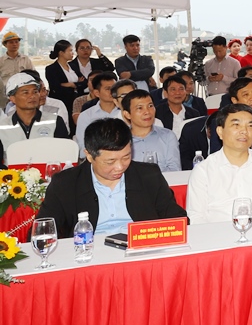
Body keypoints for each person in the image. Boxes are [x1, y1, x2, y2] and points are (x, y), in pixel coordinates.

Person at [36, 118, 186, 238]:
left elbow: (177, 218)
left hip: (141, 249)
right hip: (89, 252)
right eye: (110, 162)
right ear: (89, 155)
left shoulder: (148, 175)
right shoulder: (65, 183)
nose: (120, 167)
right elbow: (42, 231)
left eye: (126, 157)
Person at [186, 104, 252, 223]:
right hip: (219, 232)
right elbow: (196, 217)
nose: (244, 131)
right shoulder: (203, 170)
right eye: (236, 125)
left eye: (250, 126)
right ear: (220, 132)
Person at [0, 72, 71, 164]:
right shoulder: (2, 127)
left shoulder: (55, 121)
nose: (32, 96)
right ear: (12, 98)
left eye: (35, 92)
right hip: (12, 173)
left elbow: (65, 155)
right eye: (25, 93)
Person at [121, 89, 181, 171]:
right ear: (127, 114)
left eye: (150, 106)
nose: (147, 112)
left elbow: (175, 170)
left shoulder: (168, 136)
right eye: (140, 108)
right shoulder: (120, 139)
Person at [74, 71, 121, 155]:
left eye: (114, 88)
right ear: (97, 93)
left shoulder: (126, 112)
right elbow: (82, 145)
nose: (112, 92)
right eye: (108, 89)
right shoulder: (86, 116)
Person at [44, 39, 85, 123]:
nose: (72, 53)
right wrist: (77, 84)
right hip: (61, 103)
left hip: (76, 103)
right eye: (70, 51)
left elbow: (85, 82)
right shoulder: (51, 69)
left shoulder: (73, 66)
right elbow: (56, 88)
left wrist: (71, 84)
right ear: (61, 53)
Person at [0, 30, 33, 110]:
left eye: (16, 42)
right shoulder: (1, 61)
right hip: (6, 98)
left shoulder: (25, 59)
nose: (14, 44)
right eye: (11, 42)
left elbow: (33, 76)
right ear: (5, 45)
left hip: (24, 97)